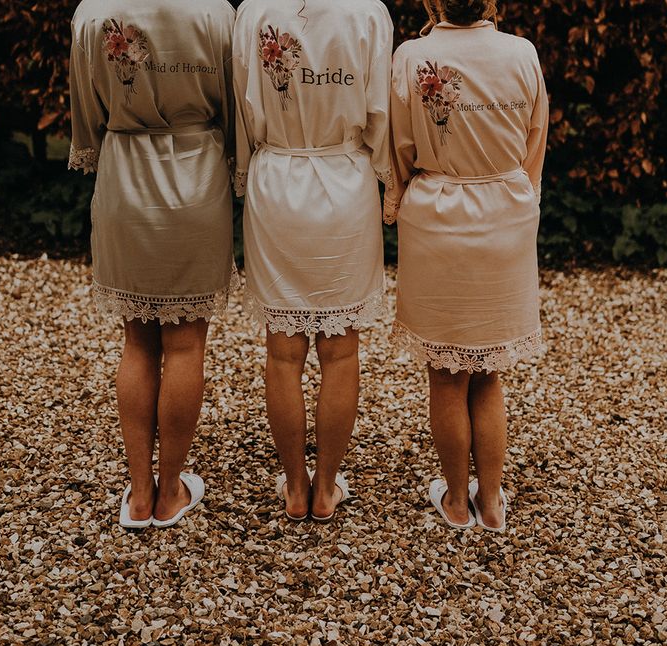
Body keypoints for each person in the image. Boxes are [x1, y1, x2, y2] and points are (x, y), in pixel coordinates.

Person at [68, 0, 237, 529]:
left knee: (137, 340)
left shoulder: (93, 13)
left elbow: (87, 113)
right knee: (186, 342)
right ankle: (170, 491)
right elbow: (235, 108)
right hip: (196, 177)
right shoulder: (214, 13)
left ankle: (139, 494)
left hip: (126, 178)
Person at [386, 0, 549, 531]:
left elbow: (401, 148)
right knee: (489, 375)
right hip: (505, 213)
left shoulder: (413, 57)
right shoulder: (521, 54)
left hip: (437, 216)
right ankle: (494, 500)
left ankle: (457, 499)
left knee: (446, 373)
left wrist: (399, 198)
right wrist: (522, 200)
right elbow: (534, 142)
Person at [233, 0, 394, 521]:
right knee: (341, 352)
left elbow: (243, 107)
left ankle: (295, 485)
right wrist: (389, 179)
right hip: (344, 183)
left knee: (283, 353)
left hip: (278, 179)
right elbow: (381, 116)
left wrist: (248, 167)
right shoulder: (368, 13)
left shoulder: (255, 12)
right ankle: (326, 486)